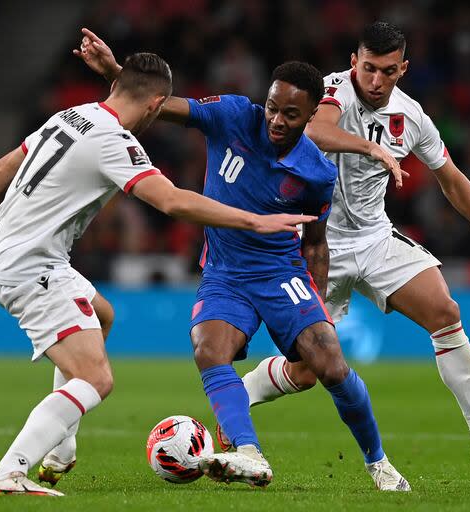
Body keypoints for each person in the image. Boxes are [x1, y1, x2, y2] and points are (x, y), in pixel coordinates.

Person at [0, 52, 316, 497]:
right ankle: (9, 471)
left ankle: (60, 451)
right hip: (31, 268)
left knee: (100, 315)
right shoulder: (114, 140)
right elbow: (172, 201)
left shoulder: (74, 115)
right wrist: (254, 219)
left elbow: (2, 166)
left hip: (22, 257)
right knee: (97, 379)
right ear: (155, 104)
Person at [75, 29, 411, 491]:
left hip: (282, 274)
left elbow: (315, 243)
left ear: (312, 115)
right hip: (226, 274)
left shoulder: (316, 171)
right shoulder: (234, 115)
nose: (275, 119)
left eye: (291, 114)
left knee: (330, 367)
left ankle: (379, 463)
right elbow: (167, 108)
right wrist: (118, 74)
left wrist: (320, 301)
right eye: (272, 107)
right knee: (208, 350)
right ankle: (248, 453)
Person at [234, 22, 470, 477]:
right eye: (369, 68)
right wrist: (372, 151)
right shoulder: (331, 90)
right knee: (307, 372)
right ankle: (237, 400)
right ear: (355, 62)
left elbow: (452, 180)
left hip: (375, 238)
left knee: (445, 312)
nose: (376, 81)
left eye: (388, 72)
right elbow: (316, 131)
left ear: (403, 69)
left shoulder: (412, 117)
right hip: (317, 244)